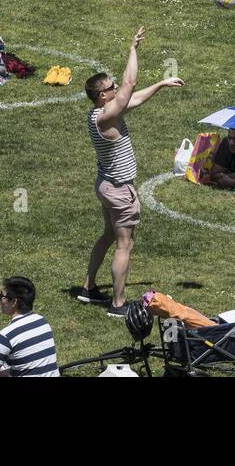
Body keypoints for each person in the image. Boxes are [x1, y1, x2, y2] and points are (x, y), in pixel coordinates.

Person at [75, 27, 183, 314]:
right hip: (119, 189)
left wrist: (160, 84)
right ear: (101, 96)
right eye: (110, 87)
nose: (115, 89)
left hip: (105, 184)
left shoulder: (100, 113)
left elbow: (132, 98)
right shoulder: (107, 116)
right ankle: (118, 303)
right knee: (125, 245)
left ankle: (87, 288)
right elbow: (130, 83)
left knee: (108, 235)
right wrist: (132, 49)